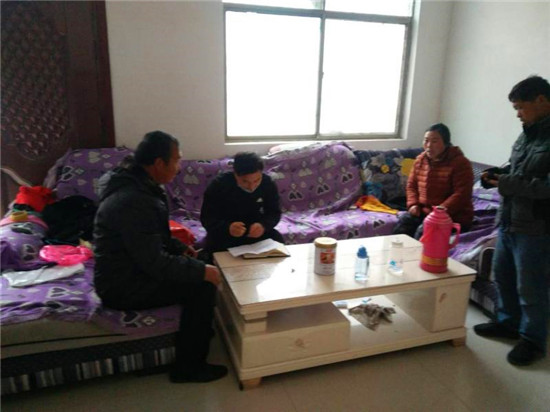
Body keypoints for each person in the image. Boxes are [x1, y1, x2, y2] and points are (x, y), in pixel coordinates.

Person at [93, 131, 227, 383]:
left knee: (201, 261)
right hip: (121, 285)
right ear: (158, 163)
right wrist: (201, 272)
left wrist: (178, 247)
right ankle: (189, 368)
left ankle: (200, 333)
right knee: (202, 286)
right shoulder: (134, 200)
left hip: (128, 269)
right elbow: (154, 262)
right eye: (177, 160)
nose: (179, 166)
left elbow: (150, 237)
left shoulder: (135, 183)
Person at [474, 75, 550, 366]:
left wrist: (507, 183)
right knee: (503, 276)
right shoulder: (527, 134)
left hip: (536, 227)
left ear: (541, 100)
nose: (518, 114)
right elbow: (517, 171)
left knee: (531, 287)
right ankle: (508, 323)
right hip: (508, 220)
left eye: (520, 107)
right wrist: (497, 175)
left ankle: (532, 340)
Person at [392, 123, 474, 239]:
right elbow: (411, 185)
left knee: (423, 233)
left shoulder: (460, 163)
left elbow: (461, 194)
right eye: (426, 141)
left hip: (452, 216)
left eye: (434, 141)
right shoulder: (420, 160)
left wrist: (439, 212)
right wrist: (413, 204)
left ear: (446, 142)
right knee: (402, 227)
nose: (429, 145)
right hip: (425, 212)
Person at [200, 151, 283, 256]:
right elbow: (207, 218)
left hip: (256, 233)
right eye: (245, 181)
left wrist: (263, 225)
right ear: (235, 174)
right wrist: (228, 228)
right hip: (225, 235)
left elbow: (274, 213)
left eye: (257, 180)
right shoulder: (218, 185)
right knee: (215, 252)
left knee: (278, 243)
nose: (251, 187)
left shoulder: (268, 183)